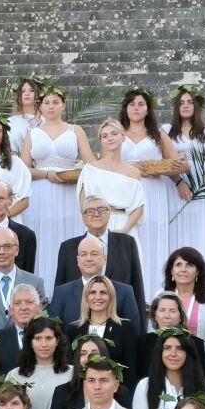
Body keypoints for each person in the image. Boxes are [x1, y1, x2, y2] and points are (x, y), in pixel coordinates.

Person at [22, 85, 95, 286]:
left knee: (68, 234)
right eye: (46, 103)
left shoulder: (75, 131)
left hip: (68, 192)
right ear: (40, 107)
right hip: (40, 193)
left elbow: (90, 163)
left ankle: (70, 284)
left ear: (63, 105)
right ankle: (42, 286)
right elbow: (24, 169)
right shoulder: (32, 133)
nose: (51, 106)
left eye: (55, 102)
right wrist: (46, 174)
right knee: (42, 236)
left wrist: (76, 175)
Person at [119, 88, 182, 301]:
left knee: (153, 239)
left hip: (153, 192)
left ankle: (154, 295)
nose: (136, 108)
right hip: (126, 192)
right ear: (126, 109)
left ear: (148, 109)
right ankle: (131, 294)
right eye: (132, 104)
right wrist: (132, 168)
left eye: (141, 104)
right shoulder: (117, 133)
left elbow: (178, 164)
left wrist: (158, 169)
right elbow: (107, 165)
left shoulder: (158, 135)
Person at [76, 120, 147, 289]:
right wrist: (94, 229)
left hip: (125, 225)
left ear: (123, 137)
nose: (110, 138)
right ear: (101, 140)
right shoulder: (90, 169)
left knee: (127, 277)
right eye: (105, 135)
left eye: (114, 134)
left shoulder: (133, 172)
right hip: (97, 225)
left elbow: (139, 205)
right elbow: (84, 203)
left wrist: (125, 229)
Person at [55, 196, 147, 324]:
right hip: (76, 324)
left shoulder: (127, 243)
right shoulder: (68, 247)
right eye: (90, 211)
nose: (96, 214)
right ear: (83, 218)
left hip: (119, 323)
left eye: (101, 210)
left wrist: (141, 329)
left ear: (109, 216)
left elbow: (137, 287)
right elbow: (60, 288)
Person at [164, 84, 205, 278]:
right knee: (176, 226)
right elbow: (163, 159)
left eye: (189, 102)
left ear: (196, 106)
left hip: (202, 187)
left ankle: (201, 278)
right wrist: (179, 182)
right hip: (175, 185)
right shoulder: (166, 131)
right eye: (181, 103)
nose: (186, 106)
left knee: (199, 228)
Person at [47, 237, 141, 329]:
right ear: (78, 260)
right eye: (84, 254)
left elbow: (134, 331)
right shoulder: (62, 293)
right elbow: (53, 331)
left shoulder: (124, 292)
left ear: (104, 259)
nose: (89, 259)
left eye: (94, 254)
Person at [9, 315, 73, 409]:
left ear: (57, 341)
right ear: (30, 342)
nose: (44, 344)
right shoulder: (15, 375)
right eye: (38, 338)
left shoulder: (70, 373)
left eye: (49, 338)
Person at [67, 274, 139, 369]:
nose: (98, 297)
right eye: (92, 292)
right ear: (86, 297)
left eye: (103, 292)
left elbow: (130, 368)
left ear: (111, 297)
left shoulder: (125, 329)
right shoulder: (74, 330)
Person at [138, 292, 205, 378]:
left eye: (172, 311)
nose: (167, 316)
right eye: (162, 310)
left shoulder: (196, 343)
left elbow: (202, 378)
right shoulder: (142, 342)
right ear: (155, 315)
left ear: (180, 316)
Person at [164, 247, 205, 342]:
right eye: (178, 265)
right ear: (171, 270)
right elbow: (153, 331)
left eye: (189, 265)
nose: (183, 269)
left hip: (200, 351)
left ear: (198, 271)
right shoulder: (161, 297)